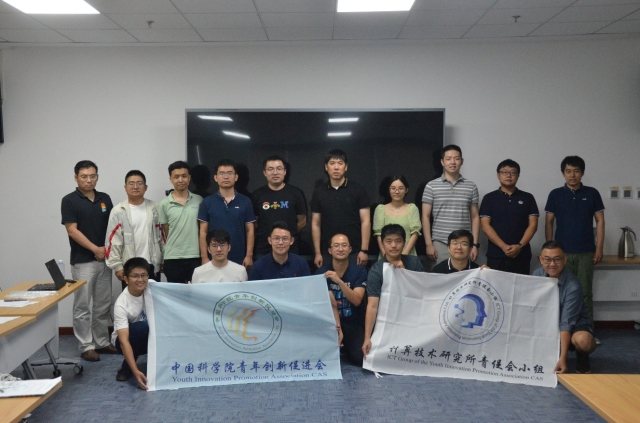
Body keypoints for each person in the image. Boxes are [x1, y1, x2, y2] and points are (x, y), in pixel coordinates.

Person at [61, 160, 117, 362]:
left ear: (97, 177)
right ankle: (86, 346)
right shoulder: (69, 200)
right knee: (83, 306)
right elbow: (72, 230)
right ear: (76, 178)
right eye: (84, 176)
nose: (88, 180)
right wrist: (95, 249)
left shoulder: (104, 198)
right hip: (83, 261)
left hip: (105, 260)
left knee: (103, 304)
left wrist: (108, 252)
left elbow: (113, 227)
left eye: (92, 176)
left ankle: (101, 342)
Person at [545, 156, 605, 324]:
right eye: (568, 171)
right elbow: (549, 222)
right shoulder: (555, 194)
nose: (572, 175)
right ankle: (561, 328)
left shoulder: (592, 193)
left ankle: (587, 329)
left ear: (582, 173)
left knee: (585, 292)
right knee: (560, 291)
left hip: (586, 251)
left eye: (576, 171)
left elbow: (600, 221)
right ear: (563, 173)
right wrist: (549, 250)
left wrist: (599, 248)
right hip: (561, 253)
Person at [532, 241, 596, 373]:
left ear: (565, 260)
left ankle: (582, 357)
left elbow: (566, 322)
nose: (552, 264)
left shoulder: (573, 285)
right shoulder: (536, 276)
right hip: (547, 322)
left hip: (574, 325)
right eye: (547, 259)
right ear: (541, 259)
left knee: (583, 341)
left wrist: (563, 359)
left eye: (557, 259)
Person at [362, 224, 423, 358]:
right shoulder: (376, 270)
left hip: (412, 317)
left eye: (398, 241)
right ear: (382, 244)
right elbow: (372, 306)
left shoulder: (414, 262)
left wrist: (404, 273)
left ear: (404, 243)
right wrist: (367, 337)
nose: (394, 245)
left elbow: (422, 294)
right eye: (389, 241)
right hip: (387, 319)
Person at [421, 145, 480, 267]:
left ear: (462, 161)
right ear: (442, 162)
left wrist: (474, 245)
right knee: (439, 277)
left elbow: (475, 217)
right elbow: (425, 217)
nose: (452, 162)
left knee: (463, 277)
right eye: (448, 159)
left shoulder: (471, 186)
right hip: (440, 244)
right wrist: (429, 244)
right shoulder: (431, 186)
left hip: (464, 243)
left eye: (456, 158)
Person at [311, 149, 371, 268]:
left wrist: (364, 250)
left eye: (340, 163)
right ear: (326, 167)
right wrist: (317, 253)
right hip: (327, 252)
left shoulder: (358, 190)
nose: (336, 167)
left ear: (346, 167)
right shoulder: (319, 192)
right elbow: (315, 224)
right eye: (332, 163)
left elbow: (366, 221)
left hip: (354, 252)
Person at [105, 170, 164, 288]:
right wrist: (117, 266)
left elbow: (162, 236)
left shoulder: (155, 208)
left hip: (152, 264)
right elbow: (112, 241)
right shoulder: (118, 211)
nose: (135, 187)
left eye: (139, 183)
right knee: (131, 298)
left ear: (145, 187)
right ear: (125, 187)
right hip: (129, 265)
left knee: (152, 298)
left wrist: (163, 259)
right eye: (131, 183)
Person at [479, 159, 539, 275]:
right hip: (496, 255)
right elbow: (485, 226)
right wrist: (503, 246)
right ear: (498, 175)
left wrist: (520, 246)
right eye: (504, 172)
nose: (508, 175)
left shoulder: (528, 198)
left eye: (513, 172)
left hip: (522, 254)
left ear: (518, 176)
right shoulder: (489, 198)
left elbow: (533, 225)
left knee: (520, 285)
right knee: (496, 285)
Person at [316, 233, 367, 366]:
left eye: (344, 245)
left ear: (350, 249)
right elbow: (330, 302)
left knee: (360, 358)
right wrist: (337, 327)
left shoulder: (359, 271)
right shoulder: (322, 272)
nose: (340, 249)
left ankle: (346, 348)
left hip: (352, 322)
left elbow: (357, 300)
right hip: (330, 322)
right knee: (321, 359)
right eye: (336, 246)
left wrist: (339, 281)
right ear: (330, 250)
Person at [198, 159, 255, 268]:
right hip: (213, 258)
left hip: (239, 258)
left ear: (236, 177)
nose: (226, 177)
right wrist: (204, 257)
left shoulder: (246, 201)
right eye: (222, 173)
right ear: (215, 178)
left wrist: (249, 255)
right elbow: (203, 231)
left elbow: (250, 230)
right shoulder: (207, 202)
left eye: (230, 173)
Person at [252, 155, 307, 256]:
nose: (275, 172)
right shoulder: (257, 195)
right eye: (270, 169)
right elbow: (254, 223)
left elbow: (302, 221)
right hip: (264, 247)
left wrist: (286, 236)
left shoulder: (296, 193)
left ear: (285, 172)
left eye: (279, 169)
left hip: (290, 246)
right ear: (264, 172)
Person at [158, 161, 203, 283]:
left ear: (189, 178)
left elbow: (202, 229)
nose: (180, 180)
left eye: (184, 176)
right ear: (170, 179)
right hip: (173, 257)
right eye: (176, 177)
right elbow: (166, 232)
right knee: (175, 293)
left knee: (195, 292)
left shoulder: (199, 200)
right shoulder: (164, 204)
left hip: (195, 256)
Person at [113, 257, 154, 389]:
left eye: (143, 275)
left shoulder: (152, 286)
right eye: (135, 276)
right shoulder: (121, 304)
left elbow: (172, 293)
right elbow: (123, 341)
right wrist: (136, 372)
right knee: (141, 327)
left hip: (148, 335)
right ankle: (128, 367)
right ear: (126, 279)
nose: (140, 280)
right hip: (124, 340)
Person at [373, 175, 421, 258]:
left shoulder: (412, 208)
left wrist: (404, 256)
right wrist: (387, 257)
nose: (397, 191)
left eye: (401, 188)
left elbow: (415, 233)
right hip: (386, 257)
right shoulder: (380, 209)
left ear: (406, 190)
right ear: (389, 190)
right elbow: (379, 235)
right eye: (393, 188)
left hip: (408, 256)